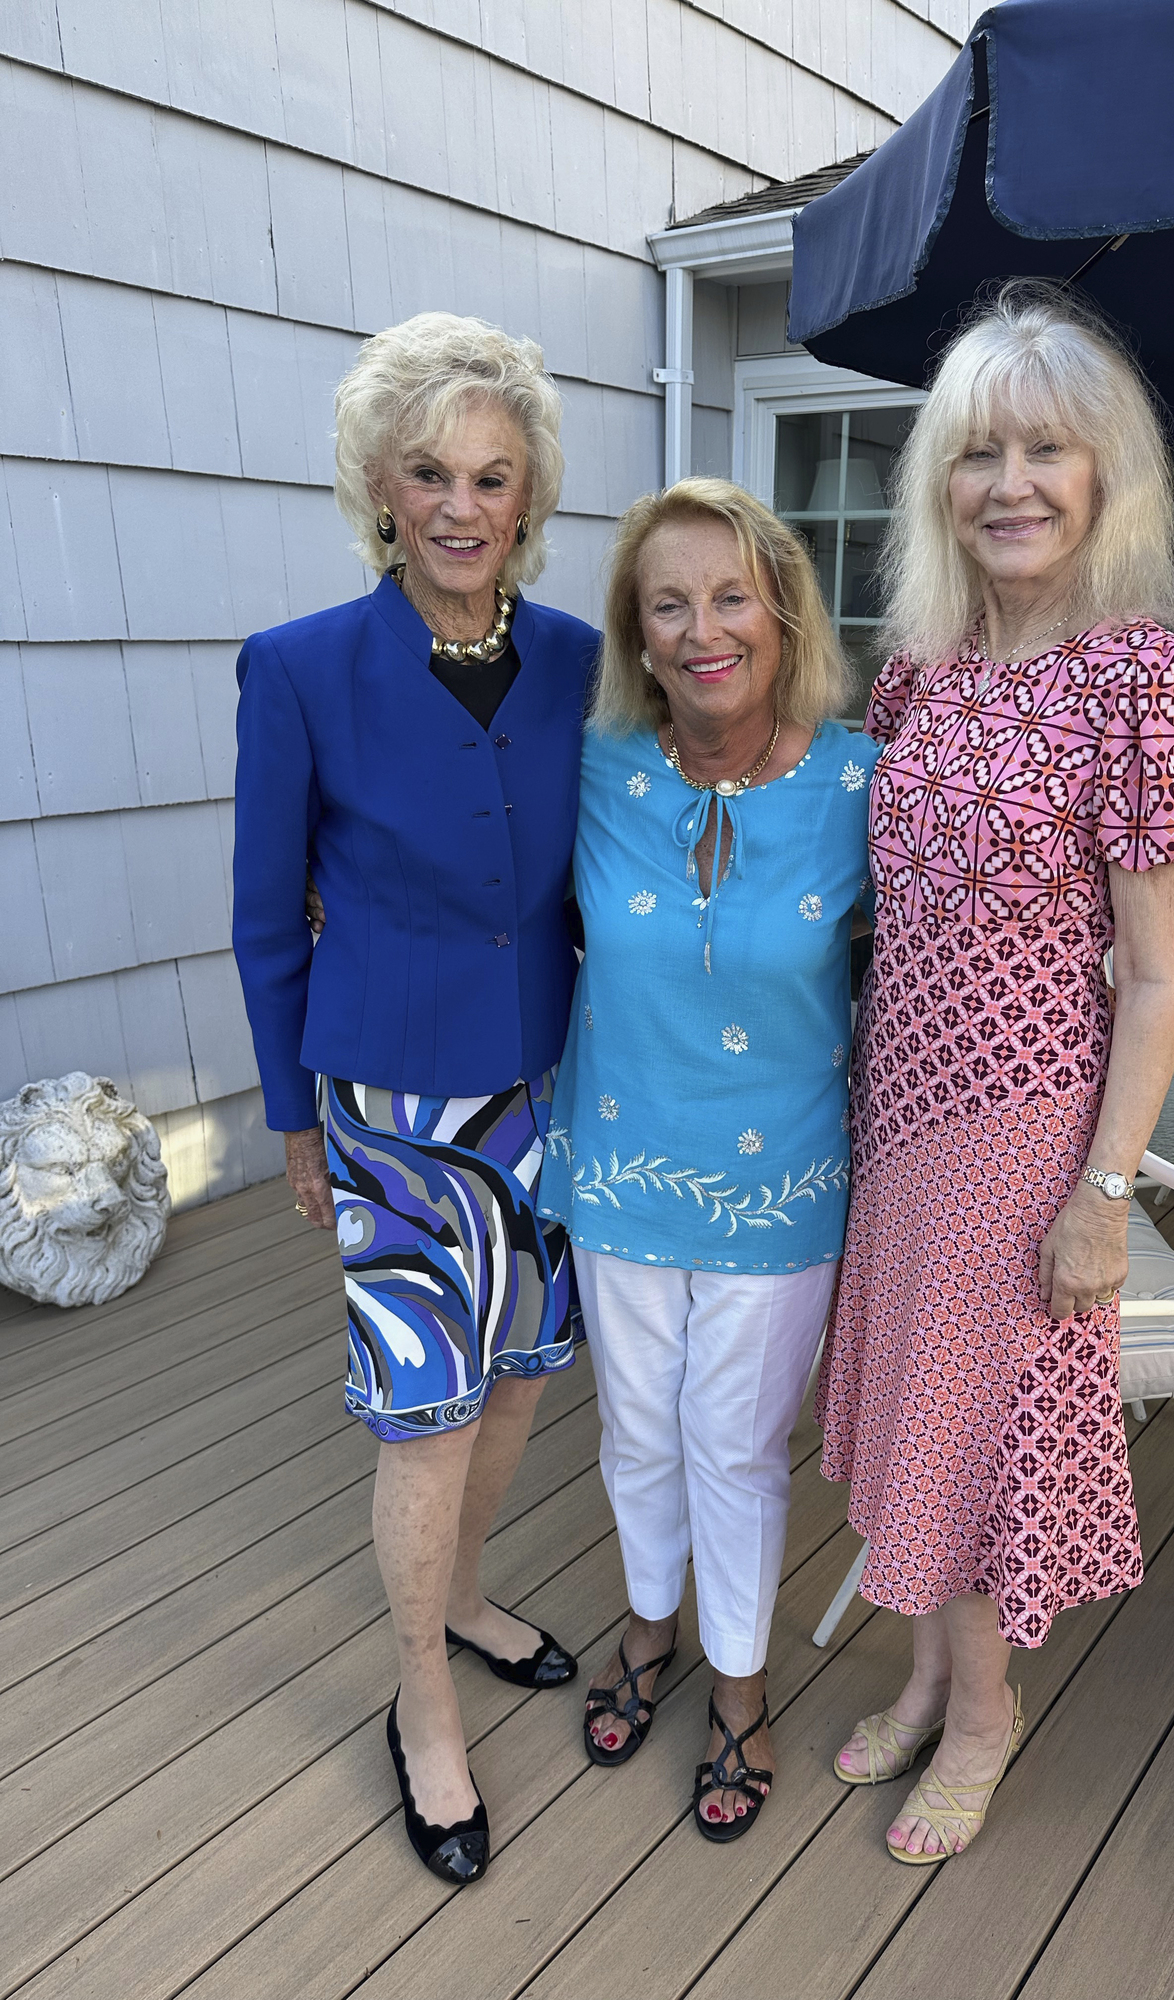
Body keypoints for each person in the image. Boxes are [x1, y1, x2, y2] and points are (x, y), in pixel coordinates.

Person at [818, 284, 1174, 1864]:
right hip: (900, 1111)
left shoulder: (1149, 689)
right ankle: (932, 1678)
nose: (1011, 483)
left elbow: (1156, 974)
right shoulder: (923, 672)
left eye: (1048, 450)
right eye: (979, 451)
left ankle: (989, 1719)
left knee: (981, 1434)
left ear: (1106, 475)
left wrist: (1107, 1192)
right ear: (942, 482)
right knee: (914, 1419)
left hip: (1028, 1127)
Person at [232, 313, 598, 1885]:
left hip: (554, 1087)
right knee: (425, 1414)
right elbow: (263, 916)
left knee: (517, 1382)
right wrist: (296, 1122)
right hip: (388, 1105)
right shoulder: (302, 668)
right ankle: (422, 1696)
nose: (463, 506)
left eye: (494, 477)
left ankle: (453, 1593)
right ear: (382, 489)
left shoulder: (586, 661)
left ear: (528, 499)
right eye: (432, 474)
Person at [535, 479, 876, 1842]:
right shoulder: (595, 765)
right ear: (638, 630)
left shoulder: (862, 780)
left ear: (782, 609)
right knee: (634, 1429)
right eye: (668, 604)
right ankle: (648, 1624)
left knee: (732, 1445)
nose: (702, 629)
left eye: (730, 595)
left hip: (784, 1178)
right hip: (619, 1165)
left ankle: (740, 1687)